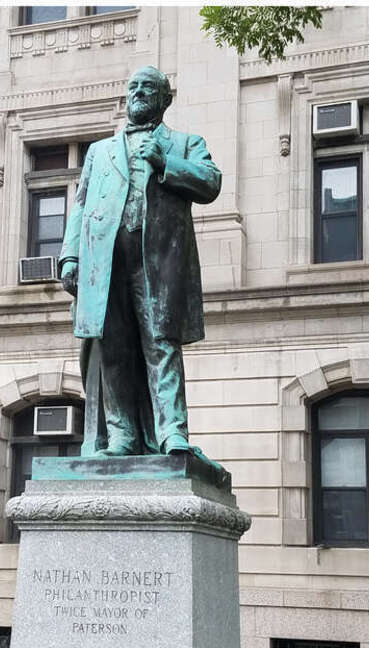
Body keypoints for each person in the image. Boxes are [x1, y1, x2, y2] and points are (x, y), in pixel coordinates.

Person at [59, 66, 221, 456]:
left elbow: (211, 182)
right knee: (111, 347)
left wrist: (166, 163)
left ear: (165, 98)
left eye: (149, 87)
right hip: (104, 262)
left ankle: (172, 433)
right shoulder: (99, 151)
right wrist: (69, 256)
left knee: (161, 344)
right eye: (134, 87)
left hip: (157, 259)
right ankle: (121, 435)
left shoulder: (184, 143)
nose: (139, 92)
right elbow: (80, 207)